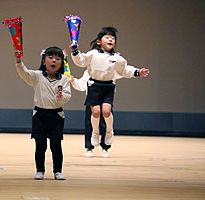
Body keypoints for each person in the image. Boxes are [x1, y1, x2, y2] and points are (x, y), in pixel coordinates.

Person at [70, 26, 149, 147]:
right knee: (95, 112)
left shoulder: (116, 58)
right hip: (93, 85)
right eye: (107, 37)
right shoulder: (93, 54)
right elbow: (81, 61)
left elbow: (124, 70)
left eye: (113, 38)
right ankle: (95, 133)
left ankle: (109, 131)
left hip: (108, 87)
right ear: (99, 41)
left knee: (106, 112)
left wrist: (138, 72)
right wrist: (75, 52)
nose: (110, 39)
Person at [15, 46, 71, 180]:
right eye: (50, 58)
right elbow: (24, 73)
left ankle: (58, 171)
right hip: (39, 115)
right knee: (40, 146)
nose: (54, 61)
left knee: (56, 145)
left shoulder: (64, 79)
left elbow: (67, 96)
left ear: (61, 63)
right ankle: (40, 170)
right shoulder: (37, 76)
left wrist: (61, 96)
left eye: (58, 59)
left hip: (56, 116)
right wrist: (18, 61)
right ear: (44, 61)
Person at [70, 70, 111, 158]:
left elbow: (120, 72)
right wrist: (73, 81)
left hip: (105, 99)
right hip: (92, 98)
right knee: (89, 124)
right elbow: (82, 85)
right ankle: (89, 147)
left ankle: (105, 147)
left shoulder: (109, 67)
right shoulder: (89, 70)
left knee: (105, 124)